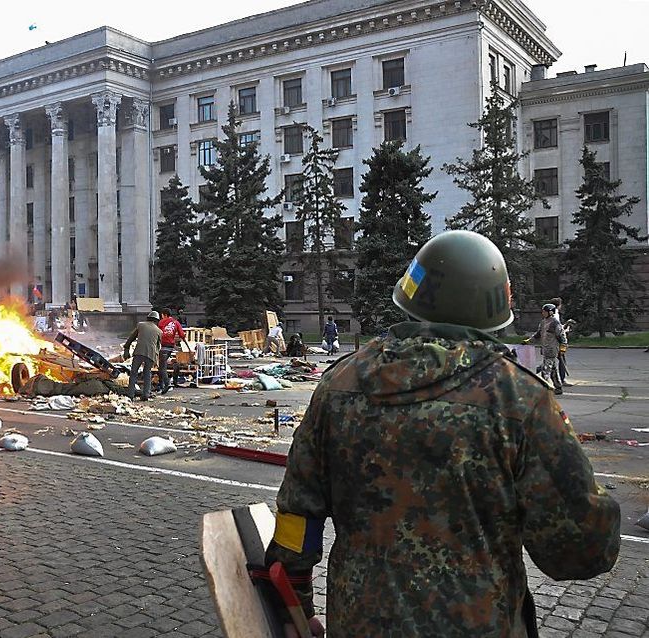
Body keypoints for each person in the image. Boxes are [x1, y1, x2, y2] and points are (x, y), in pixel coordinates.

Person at [265, 230, 619, 637]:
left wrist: (294, 608)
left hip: (359, 624)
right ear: (495, 309)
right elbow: (579, 551)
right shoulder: (518, 399)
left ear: (411, 298)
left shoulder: (339, 383)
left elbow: (297, 514)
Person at [526, 303, 567, 395]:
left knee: (545, 371)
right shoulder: (543, 322)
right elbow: (538, 335)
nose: (543, 313)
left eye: (544, 311)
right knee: (553, 370)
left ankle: (546, 391)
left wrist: (563, 347)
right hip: (545, 350)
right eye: (543, 311)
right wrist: (528, 341)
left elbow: (562, 336)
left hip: (552, 351)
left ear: (551, 312)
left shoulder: (555, 323)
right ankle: (558, 387)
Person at [123, 311, 162, 401]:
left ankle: (130, 395)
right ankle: (146, 395)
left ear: (148, 318)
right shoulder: (159, 331)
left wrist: (126, 348)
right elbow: (158, 347)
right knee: (147, 374)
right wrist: (156, 360)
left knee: (133, 373)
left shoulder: (140, 325)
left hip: (139, 352)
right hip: (151, 355)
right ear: (157, 320)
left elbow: (131, 337)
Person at [157, 309, 188, 394]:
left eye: (162, 315)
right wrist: (188, 347)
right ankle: (162, 385)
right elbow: (182, 335)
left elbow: (157, 334)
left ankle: (166, 384)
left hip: (164, 347)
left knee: (162, 367)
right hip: (171, 347)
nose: (161, 317)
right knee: (163, 365)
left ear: (165, 315)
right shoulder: (176, 322)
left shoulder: (161, 322)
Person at [551, 297, 574, 387]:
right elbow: (558, 330)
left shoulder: (550, 314)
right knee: (561, 360)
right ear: (559, 305)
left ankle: (540, 370)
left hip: (550, 342)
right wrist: (566, 328)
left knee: (551, 360)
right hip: (556, 342)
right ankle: (562, 380)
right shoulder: (555, 315)